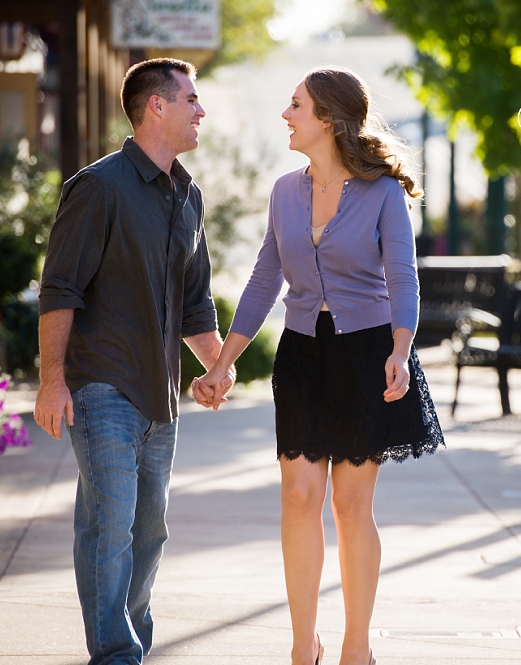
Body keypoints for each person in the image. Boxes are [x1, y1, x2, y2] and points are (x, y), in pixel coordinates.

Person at [195, 66, 445, 665]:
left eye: (296, 105)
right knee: (299, 498)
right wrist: (223, 363)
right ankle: (301, 646)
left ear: (328, 119)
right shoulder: (285, 191)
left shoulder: (383, 192)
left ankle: (356, 647)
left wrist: (401, 351)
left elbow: (402, 277)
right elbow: (262, 280)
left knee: (351, 506)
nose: (286, 115)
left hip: (367, 354)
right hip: (303, 355)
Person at [34, 58, 234, 665]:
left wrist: (217, 366)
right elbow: (60, 287)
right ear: (157, 106)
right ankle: (117, 655)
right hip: (101, 388)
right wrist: (51, 382)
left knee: (149, 534)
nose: (202, 111)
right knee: (110, 529)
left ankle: (131, 642)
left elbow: (195, 300)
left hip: (160, 396)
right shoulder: (99, 187)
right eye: (192, 100)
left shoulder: (187, 194)